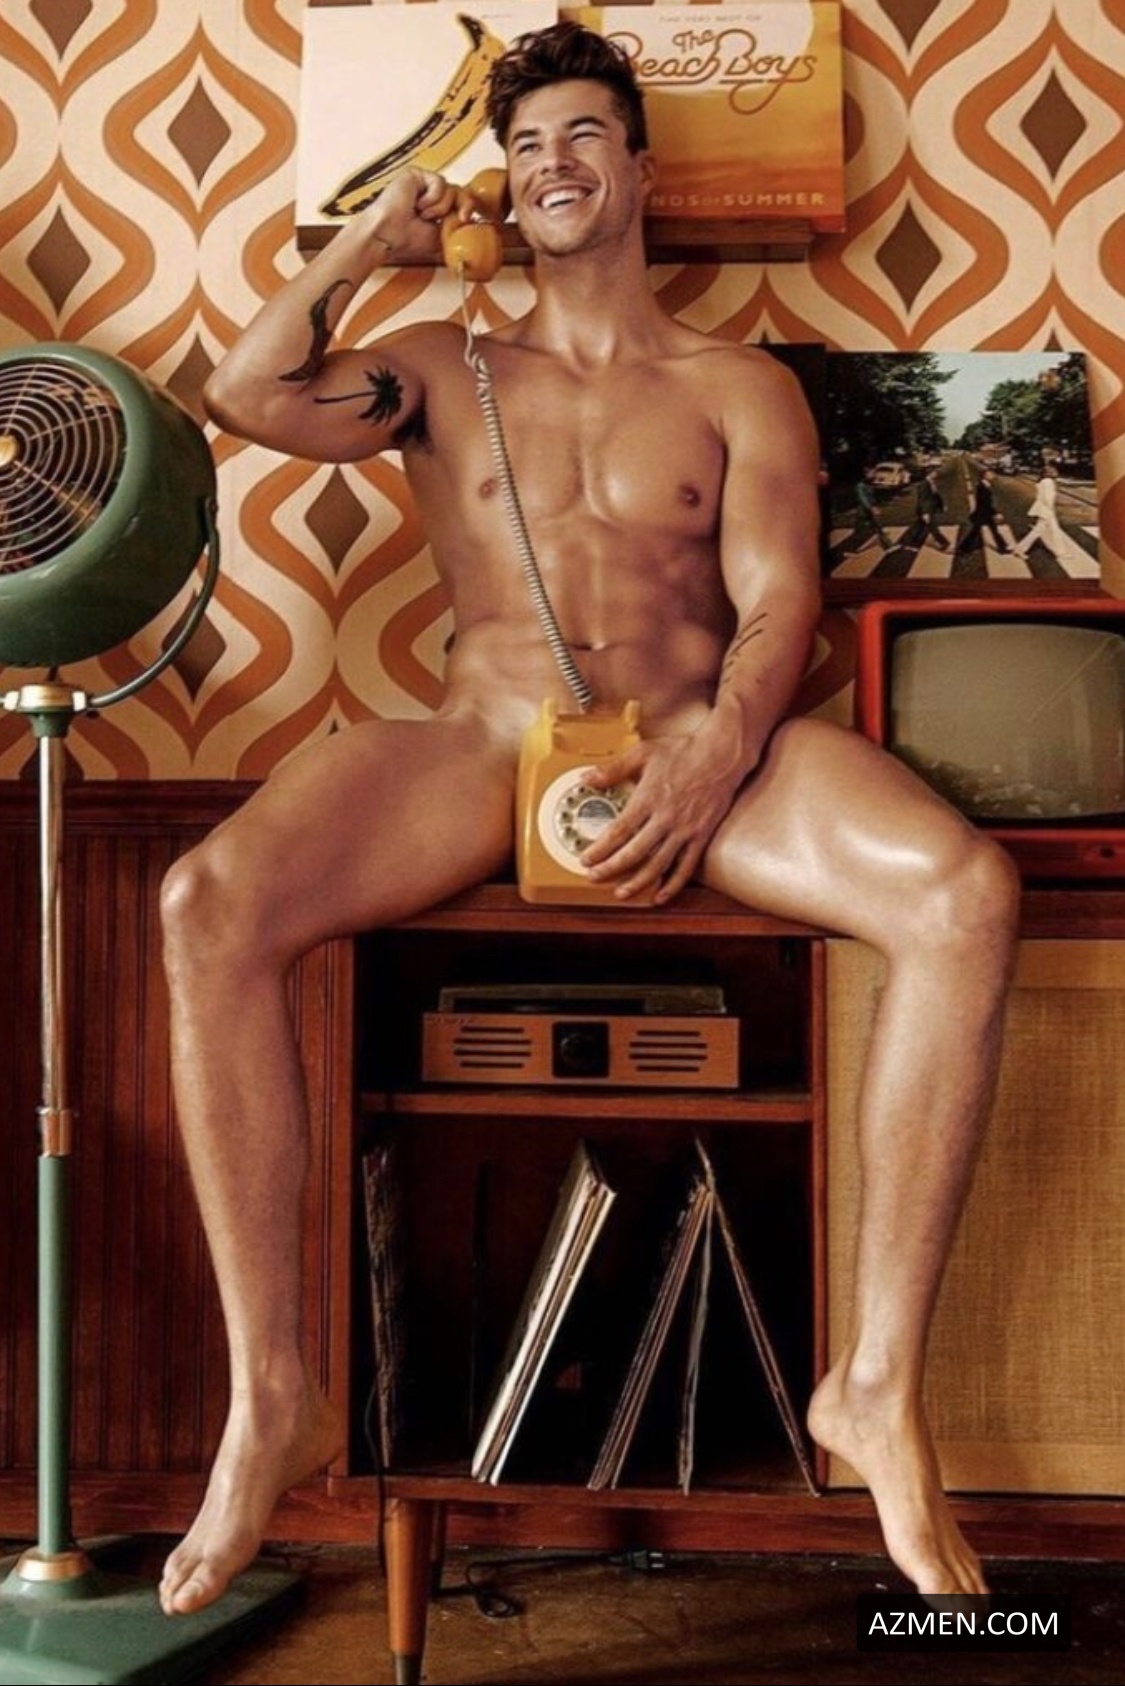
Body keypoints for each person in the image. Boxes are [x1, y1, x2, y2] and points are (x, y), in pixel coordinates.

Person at [158, 20, 1019, 1618]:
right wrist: (368, 244)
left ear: (638, 167)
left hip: (705, 734)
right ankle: (272, 1394)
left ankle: (872, 1385)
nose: (551, 164)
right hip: (484, 739)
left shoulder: (738, 385)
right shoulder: (439, 363)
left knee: (964, 895)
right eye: (526, 145)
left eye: (581, 136)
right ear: (504, 183)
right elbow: (243, 387)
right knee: (205, 899)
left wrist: (712, 756)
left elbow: (782, 600)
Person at [1011, 465, 1065, 561]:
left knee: (1054, 530)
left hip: (1045, 509)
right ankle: (1019, 549)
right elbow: (1047, 498)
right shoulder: (1048, 482)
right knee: (1037, 531)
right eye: (1053, 470)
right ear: (1048, 473)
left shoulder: (1043, 481)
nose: (1056, 471)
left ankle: (1061, 553)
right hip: (1047, 510)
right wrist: (1050, 509)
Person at [956, 466, 1010, 556]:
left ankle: (1002, 548)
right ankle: (963, 549)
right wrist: (996, 513)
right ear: (984, 476)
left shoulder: (985, 485)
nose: (992, 475)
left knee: (992, 531)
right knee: (975, 532)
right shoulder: (981, 486)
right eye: (990, 474)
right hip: (982, 513)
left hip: (985, 513)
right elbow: (985, 502)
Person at [840, 465, 891, 553]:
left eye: (874, 472)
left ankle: (888, 547)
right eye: (872, 473)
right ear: (866, 474)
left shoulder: (869, 484)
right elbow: (863, 499)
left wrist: (875, 506)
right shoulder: (860, 486)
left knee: (878, 528)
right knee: (859, 532)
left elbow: (872, 497)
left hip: (869, 510)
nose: (874, 474)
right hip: (863, 512)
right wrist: (871, 508)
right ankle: (850, 549)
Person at [907, 467, 949, 551]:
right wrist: (925, 513)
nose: (936, 474)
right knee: (933, 528)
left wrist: (942, 506)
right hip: (926, 510)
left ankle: (912, 542)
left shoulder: (931, 482)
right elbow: (923, 500)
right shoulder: (924, 484)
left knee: (920, 527)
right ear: (930, 474)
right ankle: (944, 543)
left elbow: (936, 496)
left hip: (929, 509)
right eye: (934, 472)